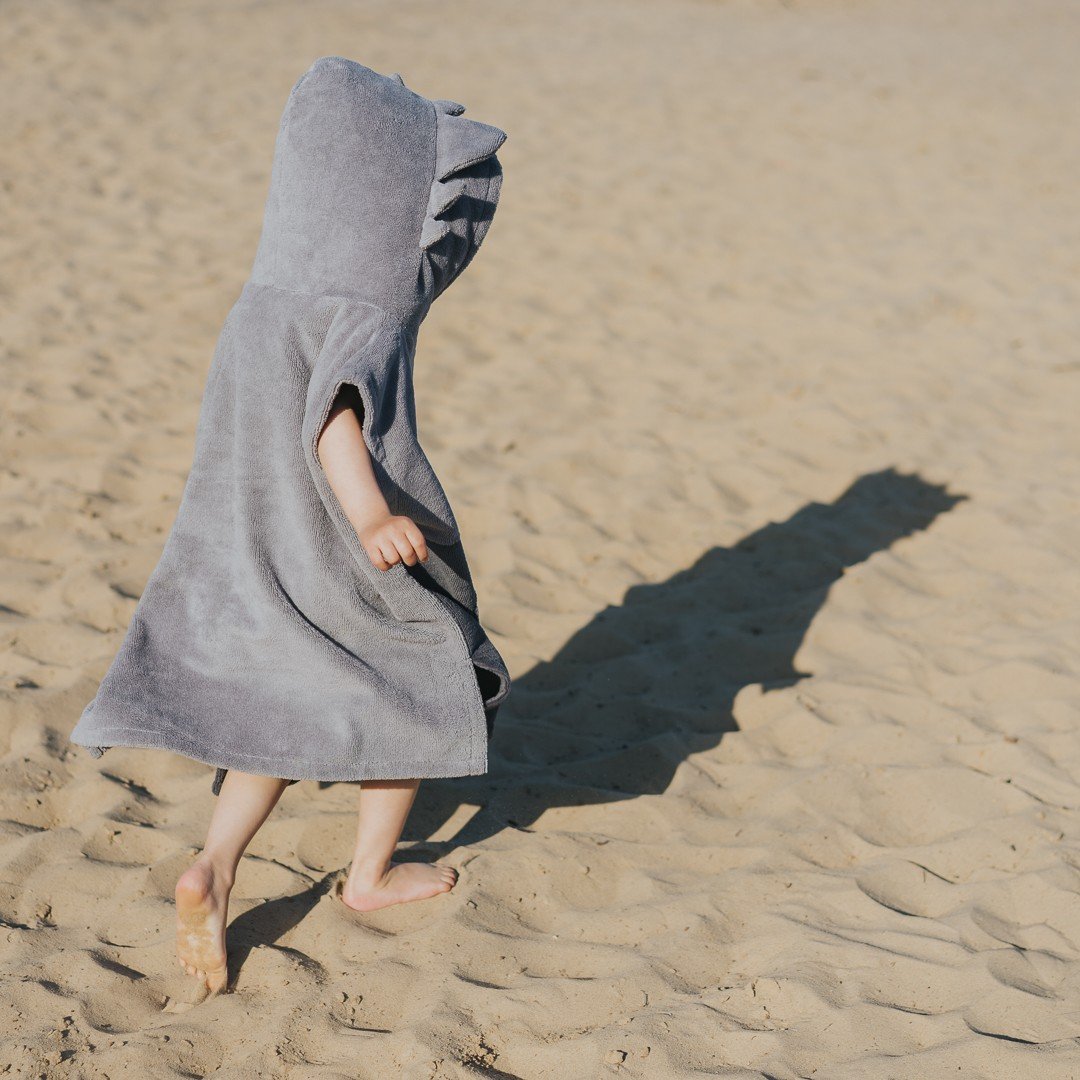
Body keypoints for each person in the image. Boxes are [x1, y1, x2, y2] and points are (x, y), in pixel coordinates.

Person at [69, 56, 513, 996]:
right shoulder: (368, 307)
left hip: (257, 539)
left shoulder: (264, 299)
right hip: (342, 543)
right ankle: (368, 875)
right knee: (419, 688)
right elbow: (334, 418)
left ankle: (215, 868)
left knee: (280, 705)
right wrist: (375, 515)